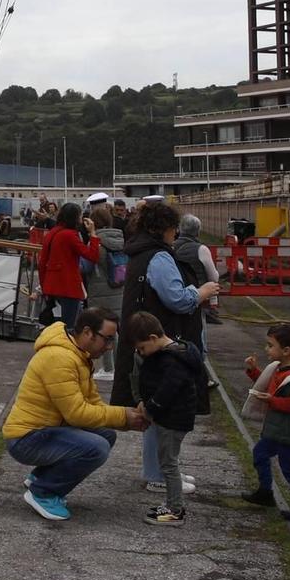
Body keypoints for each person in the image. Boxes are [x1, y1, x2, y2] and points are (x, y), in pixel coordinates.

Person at [112, 199, 221, 496]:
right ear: (165, 229)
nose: (175, 234)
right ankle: (159, 473)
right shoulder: (158, 257)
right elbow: (177, 299)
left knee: (154, 411)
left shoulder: (138, 252)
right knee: (161, 413)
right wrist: (201, 291)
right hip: (159, 342)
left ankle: (162, 469)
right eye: (173, 229)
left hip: (143, 340)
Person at [2, 306, 145, 521]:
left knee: (106, 433)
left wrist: (126, 419)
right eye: (106, 339)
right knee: (97, 448)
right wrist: (123, 415)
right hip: (26, 438)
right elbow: (77, 414)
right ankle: (43, 492)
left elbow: (92, 402)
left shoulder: (78, 355)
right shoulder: (60, 358)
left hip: (45, 429)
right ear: (87, 332)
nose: (108, 347)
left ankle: (40, 478)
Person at [130, 312, 206, 526]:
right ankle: (172, 506)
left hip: (173, 420)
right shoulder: (173, 352)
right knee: (169, 461)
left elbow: (167, 391)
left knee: (168, 464)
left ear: (154, 338)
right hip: (172, 418)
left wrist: (151, 409)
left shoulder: (173, 361)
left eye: (143, 348)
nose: (142, 353)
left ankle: (175, 510)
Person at [241, 324, 290, 522]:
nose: (266, 349)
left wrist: (271, 401)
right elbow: (273, 387)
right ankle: (266, 491)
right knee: (261, 454)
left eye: (270, 345)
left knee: (289, 465)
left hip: (288, 431)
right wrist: (253, 371)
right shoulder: (280, 368)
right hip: (279, 428)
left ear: (286, 351)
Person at [35, 201, 97, 331]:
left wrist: (44, 284)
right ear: (75, 217)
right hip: (68, 285)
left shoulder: (52, 233)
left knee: (58, 323)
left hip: (52, 284)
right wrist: (93, 234)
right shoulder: (70, 235)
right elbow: (92, 255)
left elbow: (42, 262)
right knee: (70, 325)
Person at [83, 203, 128, 377]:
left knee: (104, 332)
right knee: (116, 330)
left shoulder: (97, 244)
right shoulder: (120, 240)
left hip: (100, 290)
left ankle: (108, 368)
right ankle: (119, 367)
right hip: (119, 289)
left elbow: (87, 266)